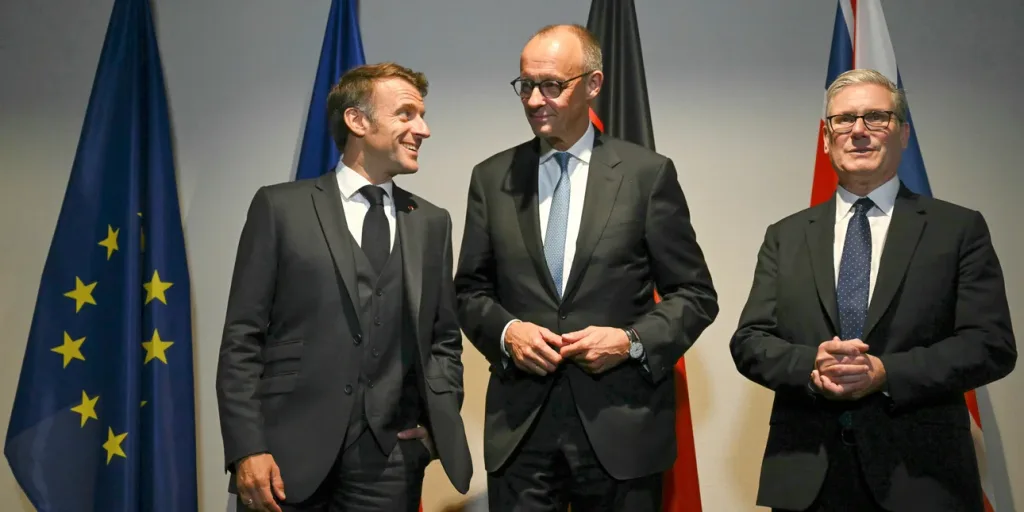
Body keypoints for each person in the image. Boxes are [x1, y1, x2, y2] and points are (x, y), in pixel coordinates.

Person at [454, 24, 718, 511]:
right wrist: (508, 332)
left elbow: (695, 295)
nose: (535, 100)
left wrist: (630, 341)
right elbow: (469, 291)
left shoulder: (646, 175)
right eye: (526, 85)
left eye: (552, 85)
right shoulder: (491, 178)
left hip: (621, 428)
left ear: (593, 84)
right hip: (522, 432)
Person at [730, 68, 1017, 512]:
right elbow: (750, 341)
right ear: (826, 139)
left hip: (923, 478)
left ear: (903, 134)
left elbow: (991, 345)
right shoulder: (785, 236)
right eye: (844, 119)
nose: (858, 130)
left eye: (876, 117)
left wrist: (886, 373)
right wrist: (812, 365)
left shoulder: (958, 229)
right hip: (807, 479)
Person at [215, 62, 471, 512]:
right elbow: (242, 339)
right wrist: (247, 447)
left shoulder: (432, 222)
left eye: (422, 116)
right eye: (406, 114)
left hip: (390, 463)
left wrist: (433, 427)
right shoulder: (280, 208)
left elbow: (443, 340)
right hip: (284, 458)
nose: (423, 129)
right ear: (357, 120)